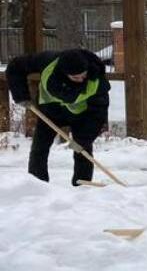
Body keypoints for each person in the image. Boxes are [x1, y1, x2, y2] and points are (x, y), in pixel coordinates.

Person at [5, 47, 110, 185]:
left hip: (82, 115)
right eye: (75, 77)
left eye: (83, 76)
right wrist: (21, 95)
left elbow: (98, 113)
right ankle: (37, 184)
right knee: (39, 148)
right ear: (64, 72)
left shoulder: (96, 78)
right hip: (50, 111)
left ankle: (83, 185)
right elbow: (15, 66)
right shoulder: (49, 61)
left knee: (83, 150)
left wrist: (83, 139)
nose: (80, 80)